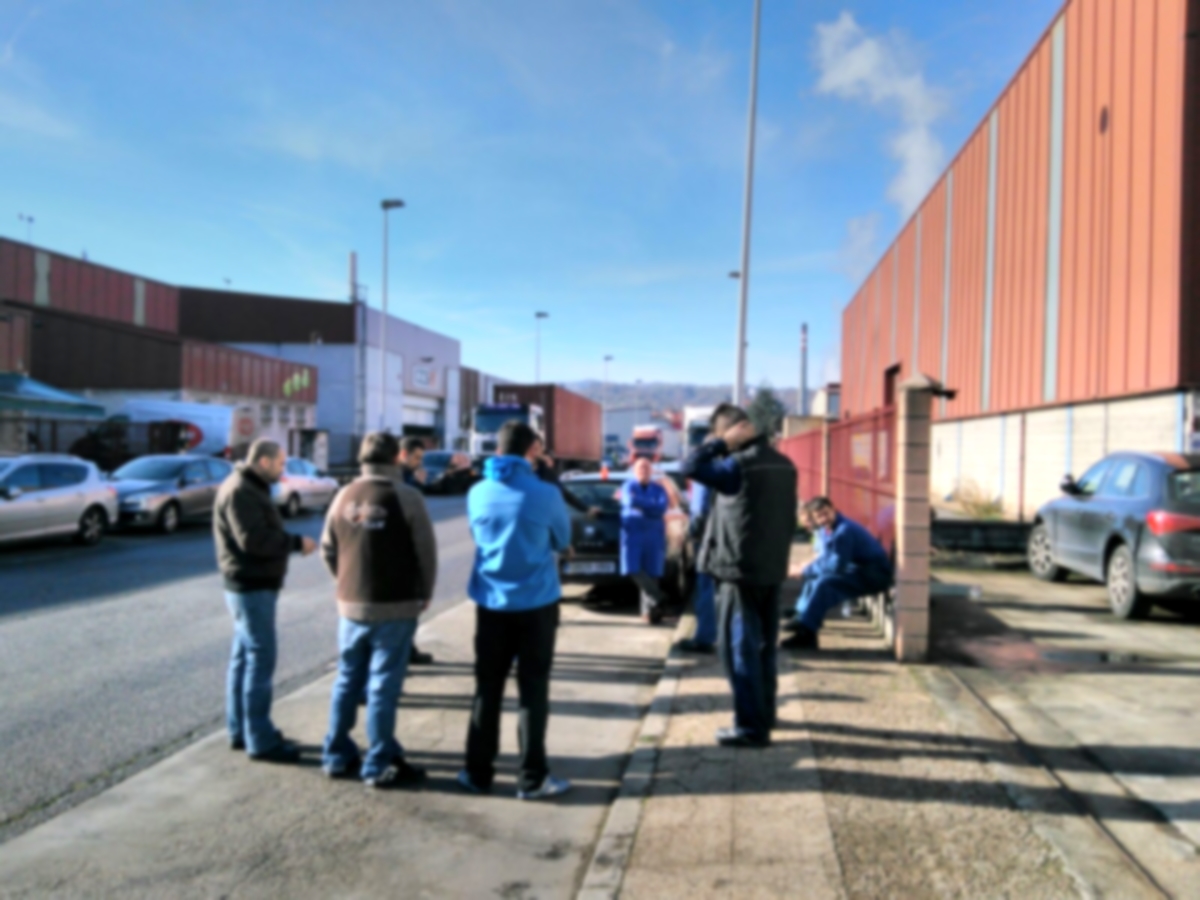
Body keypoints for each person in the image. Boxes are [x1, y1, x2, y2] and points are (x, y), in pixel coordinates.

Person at [459, 421, 572, 800]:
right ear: (533, 451)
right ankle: (532, 778)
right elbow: (562, 539)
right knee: (533, 690)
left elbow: (479, 537)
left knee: (486, 688)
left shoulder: (477, 492)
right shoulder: (546, 493)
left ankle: (477, 773)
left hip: (490, 605)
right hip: (537, 605)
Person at [320, 431, 437, 789]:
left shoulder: (343, 495)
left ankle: (336, 755)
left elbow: (328, 547)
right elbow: (425, 554)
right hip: (395, 604)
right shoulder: (406, 496)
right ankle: (379, 762)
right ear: (396, 459)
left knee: (346, 680)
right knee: (383, 686)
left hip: (351, 605)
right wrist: (424, 592)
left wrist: (346, 584)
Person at [682, 404, 797, 748]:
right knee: (764, 648)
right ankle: (765, 714)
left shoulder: (739, 465)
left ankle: (750, 728)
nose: (720, 443)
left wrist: (718, 444)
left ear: (736, 431)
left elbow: (690, 465)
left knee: (739, 651)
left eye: (721, 436)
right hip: (771, 569)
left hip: (738, 571)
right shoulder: (784, 463)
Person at [214, 439, 317, 763]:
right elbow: (254, 540)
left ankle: (241, 731)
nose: (282, 469)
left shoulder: (249, 486)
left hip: (248, 585)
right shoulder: (242, 490)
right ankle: (258, 739)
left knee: (244, 659)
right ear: (263, 461)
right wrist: (296, 542)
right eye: (280, 464)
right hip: (251, 586)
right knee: (260, 660)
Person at [780, 497, 893, 651]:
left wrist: (804, 570)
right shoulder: (830, 528)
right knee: (817, 578)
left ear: (833, 509)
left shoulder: (843, 531)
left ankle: (807, 633)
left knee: (824, 584)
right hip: (861, 569)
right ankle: (802, 616)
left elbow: (835, 566)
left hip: (874, 574)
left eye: (826, 513)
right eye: (819, 516)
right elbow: (826, 558)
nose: (824, 518)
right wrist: (807, 568)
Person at [395, 436, 438, 666]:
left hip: (405, 553)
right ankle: (404, 652)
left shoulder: (409, 476)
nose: (419, 462)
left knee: (408, 610)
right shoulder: (400, 477)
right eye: (416, 458)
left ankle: (408, 648)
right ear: (403, 454)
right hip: (401, 553)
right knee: (404, 609)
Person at [620, 458, 670, 625]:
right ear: (635, 471)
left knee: (652, 572)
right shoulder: (628, 486)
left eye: (647, 468)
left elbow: (662, 508)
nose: (644, 471)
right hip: (633, 533)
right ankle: (658, 595)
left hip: (654, 534)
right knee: (632, 568)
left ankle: (652, 613)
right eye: (640, 468)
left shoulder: (659, 488)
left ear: (652, 471)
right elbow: (628, 501)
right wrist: (650, 506)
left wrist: (640, 504)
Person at [678, 477, 716, 653]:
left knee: (706, 587)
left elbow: (700, 510)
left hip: (708, 539)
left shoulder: (703, 477)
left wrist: (693, 533)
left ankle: (704, 638)